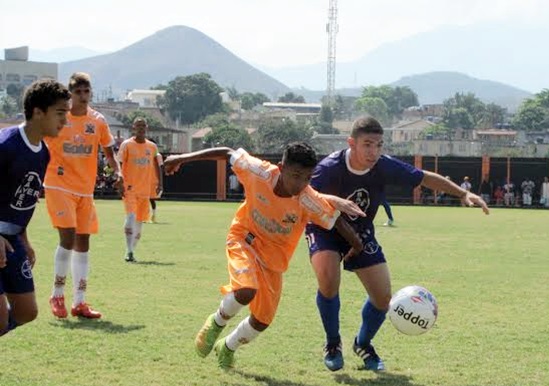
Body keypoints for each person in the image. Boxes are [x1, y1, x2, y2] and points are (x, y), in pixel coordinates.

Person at [305, 116, 489, 372]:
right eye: (368, 144)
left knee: (382, 298)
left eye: (379, 145)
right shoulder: (329, 168)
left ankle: (363, 344)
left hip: (360, 230)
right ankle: (333, 344)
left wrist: (463, 193)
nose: (374, 151)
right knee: (328, 278)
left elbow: (424, 177)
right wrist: (336, 202)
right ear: (352, 143)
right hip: (325, 226)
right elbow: (305, 195)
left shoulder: (384, 166)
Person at [163, 142, 365, 372]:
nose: (300, 184)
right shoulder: (258, 171)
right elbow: (226, 152)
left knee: (262, 321)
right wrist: (181, 158)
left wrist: (357, 245)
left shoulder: (307, 199)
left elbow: (335, 219)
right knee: (246, 290)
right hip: (244, 239)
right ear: (281, 168)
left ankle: (227, 347)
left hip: (273, 260)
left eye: (307, 178)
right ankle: (215, 323)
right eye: (296, 176)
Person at [43, 72, 120, 319]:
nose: (83, 96)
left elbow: (108, 150)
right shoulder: (57, 117)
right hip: (58, 185)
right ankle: (57, 294)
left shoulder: (97, 121)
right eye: (78, 92)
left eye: (87, 92)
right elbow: (37, 142)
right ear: (70, 94)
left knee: (83, 244)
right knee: (68, 238)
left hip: (85, 191)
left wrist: (117, 171)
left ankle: (80, 302)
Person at [1, 79, 70, 336]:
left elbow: (23, 202)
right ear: (38, 112)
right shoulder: (6, 145)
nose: (64, 120)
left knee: (26, 312)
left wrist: (24, 239)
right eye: (60, 113)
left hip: (13, 238)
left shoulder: (43, 153)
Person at [117, 117, 161, 262]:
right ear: (133, 128)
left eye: (143, 126)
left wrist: (160, 182)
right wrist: (119, 179)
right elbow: (119, 163)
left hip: (145, 189)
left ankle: (130, 251)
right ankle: (129, 252)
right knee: (130, 217)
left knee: (139, 223)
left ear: (147, 128)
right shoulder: (127, 145)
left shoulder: (152, 147)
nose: (141, 128)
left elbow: (157, 164)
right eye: (138, 126)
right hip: (129, 188)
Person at [147, 151, 164, 223]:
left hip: (153, 179)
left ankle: (153, 216)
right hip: (144, 177)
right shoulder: (143, 153)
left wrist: (160, 183)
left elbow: (160, 167)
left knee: (151, 198)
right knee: (143, 198)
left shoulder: (157, 155)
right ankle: (143, 216)